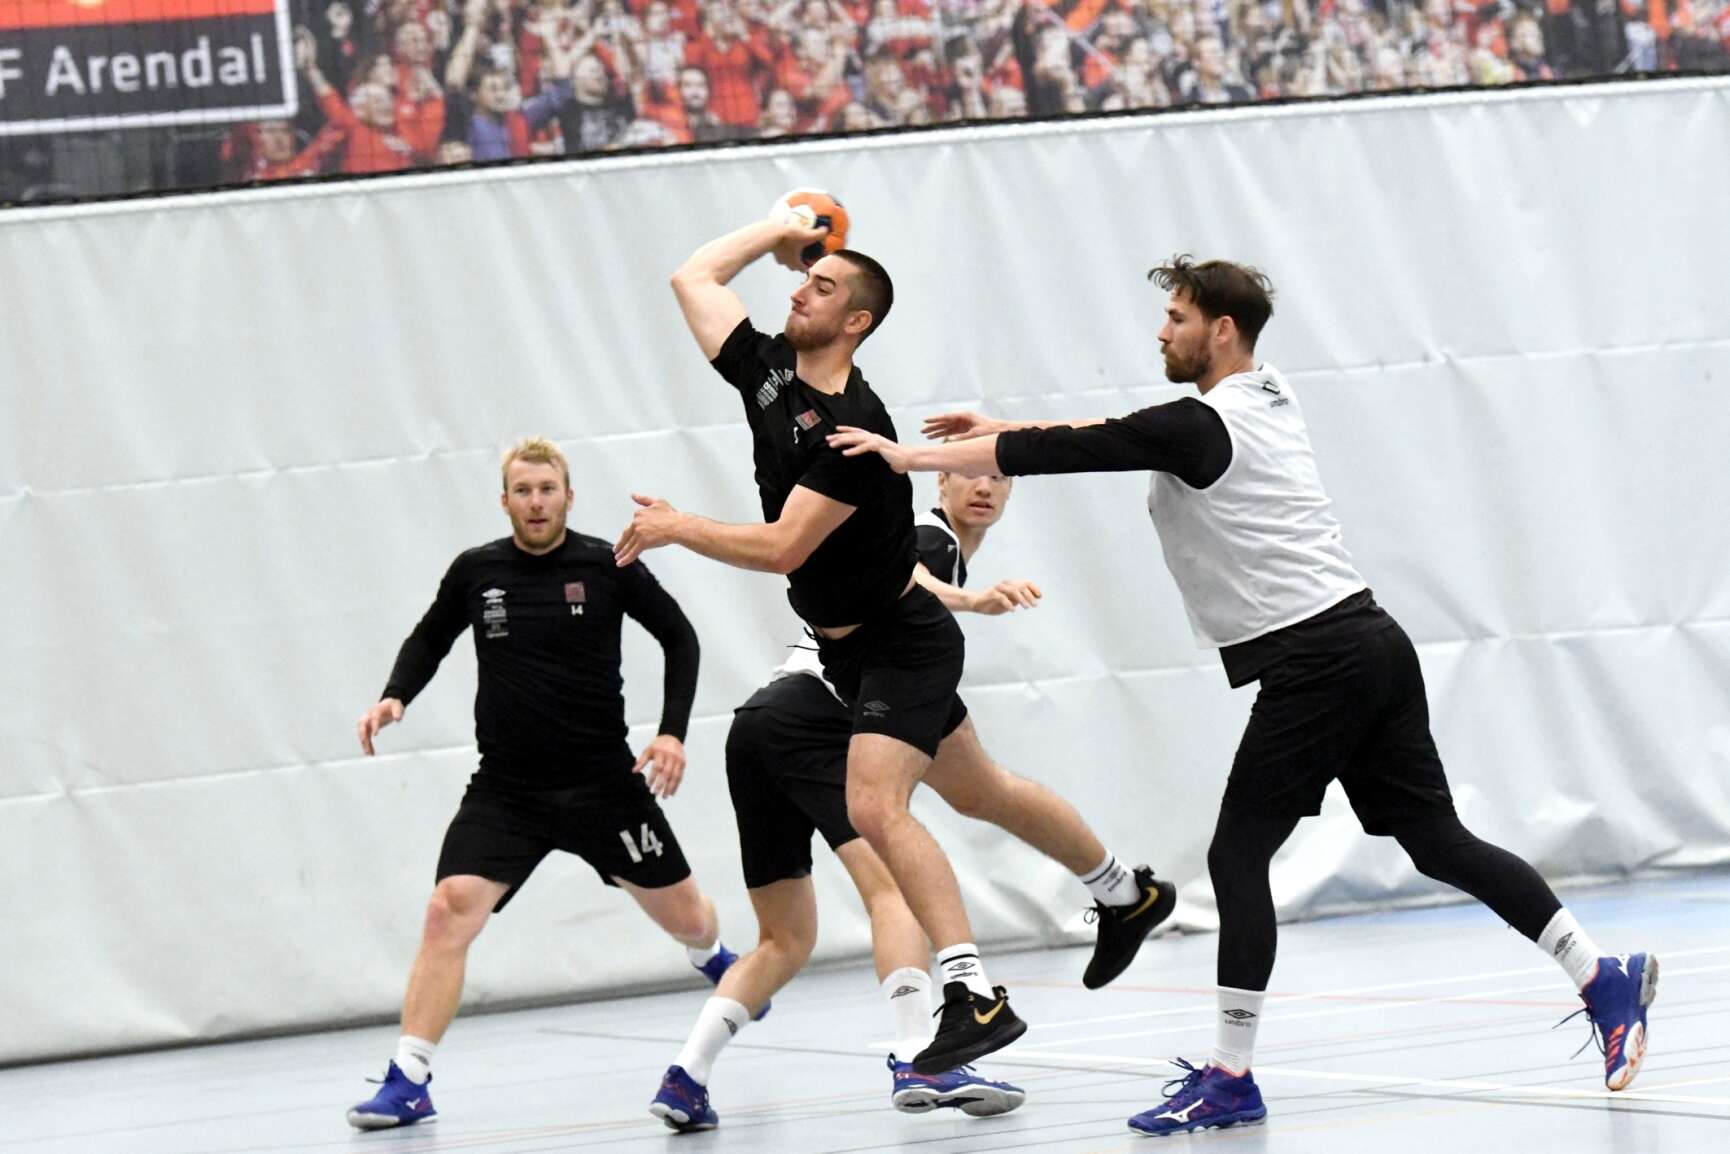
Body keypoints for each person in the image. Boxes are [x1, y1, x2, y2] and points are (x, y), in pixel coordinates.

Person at [827, 255, 1659, 1135]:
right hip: (1369, 642)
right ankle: (1600, 976)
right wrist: (999, 427)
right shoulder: (1266, 396)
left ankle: (1231, 1075)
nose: (1162, 331)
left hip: (1319, 660)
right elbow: (1113, 430)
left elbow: (1080, 448)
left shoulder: (1203, 423)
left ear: (1221, 330)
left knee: (1237, 857)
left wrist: (909, 456)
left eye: (1178, 318)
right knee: (1436, 841)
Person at [614, 215, 1178, 1078]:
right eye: (805, 279)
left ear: (856, 322)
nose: (800, 290)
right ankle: (1124, 894)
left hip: (901, 642)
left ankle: (972, 995)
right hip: (850, 650)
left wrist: (678, 526)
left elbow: (784, 548)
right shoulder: (767, 370)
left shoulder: (853, 427)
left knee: (875, 807)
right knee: (983, 790)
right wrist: (781, 228)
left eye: (823, 286)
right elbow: (693, 277)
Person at [345, 437, 746, 1129]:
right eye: (523, 491)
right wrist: (395, 695)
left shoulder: (607, 563)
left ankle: (711, 956)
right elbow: (430, 637)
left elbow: (680, 637)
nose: (536, 502)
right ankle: (409, 1079)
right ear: (505, 501)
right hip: (508, 790)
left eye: (547, 489)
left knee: (688, 917)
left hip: (604, 785)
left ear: (568, 497)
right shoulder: (477, 572)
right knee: (447, 911)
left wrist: (672, 732)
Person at [647, 469, 1046, 1131]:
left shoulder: (905, 556)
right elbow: (919, 578)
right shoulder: (930, 538)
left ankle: (686, 1076)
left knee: (784, 938)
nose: (983, 487)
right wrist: (973, 601)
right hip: (813, 720)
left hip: (758, 727)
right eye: (969, 473)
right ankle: (920, 1057)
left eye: (998, 476)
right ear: (938, 484)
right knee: (895, 889)